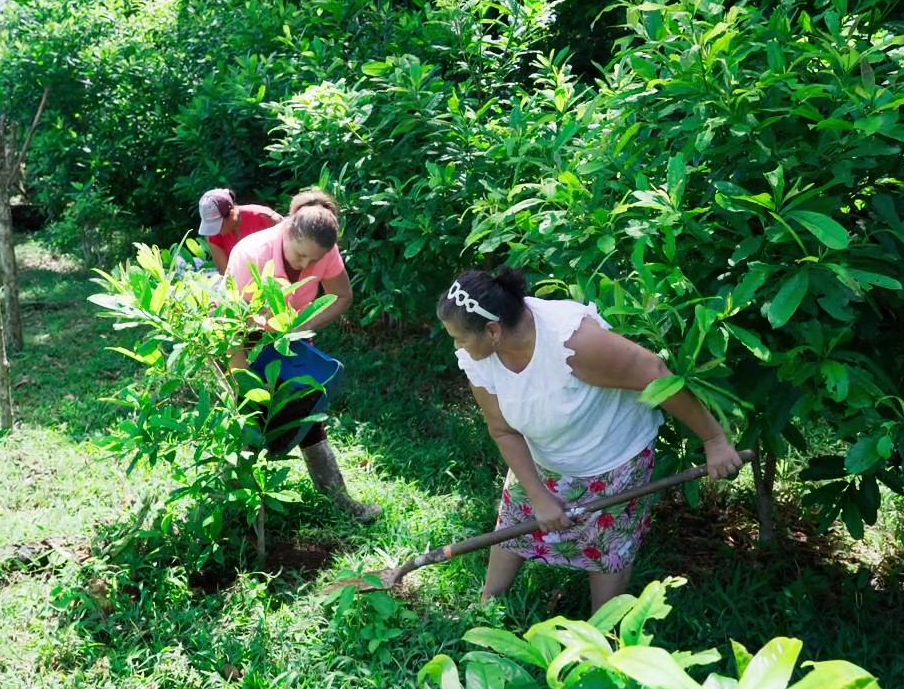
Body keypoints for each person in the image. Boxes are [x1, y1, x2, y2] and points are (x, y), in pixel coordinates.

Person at [437, 267, 744, 611]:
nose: (457, 346)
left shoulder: (572, 342)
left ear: (492, 330)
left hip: (612, 458)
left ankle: (602, 635)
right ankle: (486, 609)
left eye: (460, 338)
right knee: (515, 526)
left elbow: (655, 374)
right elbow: (503, 429)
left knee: (608, 549)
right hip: (545, 460)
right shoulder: (480, 358)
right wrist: (538, 496)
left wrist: (714, 439)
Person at [226, 189, 379, 523]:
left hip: (290, 341)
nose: (307, 265)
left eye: (314, 260)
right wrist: (241, 385)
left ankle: (339, 499)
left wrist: (299, 328)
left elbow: (342, 295)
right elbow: (232, 328)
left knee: (307, 410)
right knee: (249, 423)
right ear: (288, 230)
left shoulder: (321, 247)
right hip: (244, 343)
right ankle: (240, 512)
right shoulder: (251, 254)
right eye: (300, 256)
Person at [196, 188, 282, 274]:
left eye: (218, 225)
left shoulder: (266, 219)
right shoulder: (213, 234)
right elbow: (227, 274)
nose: (215, 231)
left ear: (232, 215)